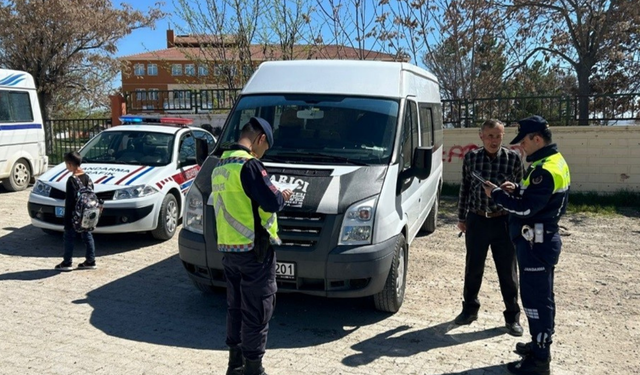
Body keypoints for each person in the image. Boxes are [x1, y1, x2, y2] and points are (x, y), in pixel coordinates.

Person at [483, 115, 570, 375]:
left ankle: (539, 361)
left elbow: (528, 208)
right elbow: (534, 197)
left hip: (537, 241)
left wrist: (497, 194)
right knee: (541, 297)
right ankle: (538, 344)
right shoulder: (551, 161)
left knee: (535, 300)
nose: (521, 146)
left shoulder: (545, 169)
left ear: (537, 139)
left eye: (524, 141)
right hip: (539, 239)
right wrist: (516, 189)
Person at [211, 117, 292, 375]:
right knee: (257, 310)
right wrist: (282, 196)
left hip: (229, 250)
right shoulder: (250, 166)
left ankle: (234, 363)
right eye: (265, 148)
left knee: (235, 308)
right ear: (260, 139)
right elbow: (272, 202)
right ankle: (253, 368)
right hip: (254, 252)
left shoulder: (220, 166)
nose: (263, 153)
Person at [455, 119, 524, 337]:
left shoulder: (512, 158)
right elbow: (464, 188)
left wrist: (515, 189)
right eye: (490, 136)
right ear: (481, 136)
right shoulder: (471, 158)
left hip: (503, 221)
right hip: (477, 220)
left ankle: (512, 317)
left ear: (503, 136)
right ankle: (469, 310)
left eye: (498, 135)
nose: (494, 140)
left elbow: (522, 190)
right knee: (473, 268)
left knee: (508, 271)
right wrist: (461, 217)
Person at [54, 151, 97, 271]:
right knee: (87, 235)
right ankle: (91, 260)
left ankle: (67, 262)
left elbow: (70, 202)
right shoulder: (88, 178)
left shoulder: (72, 180)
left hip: (75, 214)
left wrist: (67, 220)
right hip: (87, 214)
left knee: (69, 236)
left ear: (70, 164)